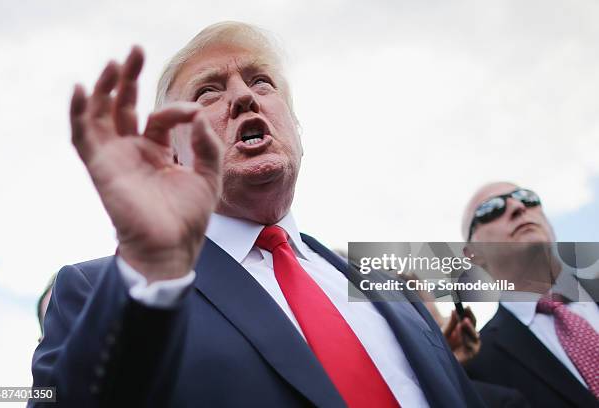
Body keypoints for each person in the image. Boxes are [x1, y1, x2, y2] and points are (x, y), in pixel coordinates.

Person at [31, 22, 485, 407]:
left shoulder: (389, 291)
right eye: (208, 91)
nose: (244, 97)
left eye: (261, 81)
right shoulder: (102, 290)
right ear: (171, 154)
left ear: (295, 126)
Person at [462, 182, 599, 407]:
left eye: (527, 197)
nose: (517, 206)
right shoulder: (476, 366)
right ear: (472, 254)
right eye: (491, 208)